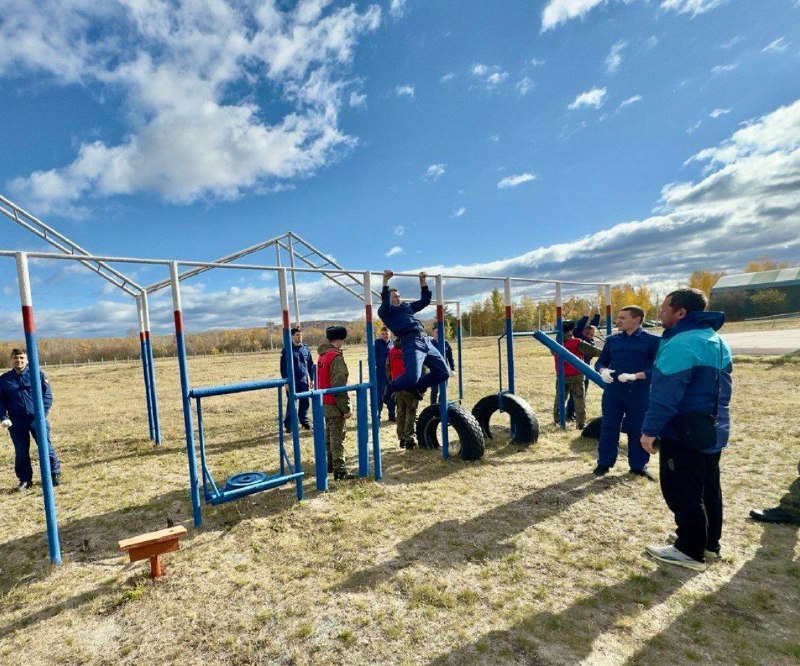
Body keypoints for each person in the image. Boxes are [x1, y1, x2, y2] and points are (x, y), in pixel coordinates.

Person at [640, 288, 733, 571]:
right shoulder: (716, 340)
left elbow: (666, 394)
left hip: (682, 432)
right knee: (708, 488)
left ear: (681, 312)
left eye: (664, 307)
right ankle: (708, 543)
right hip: (711, 430)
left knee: (681, 490)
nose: (660, 312)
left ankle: (689, 550)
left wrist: (650, 430)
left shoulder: (681, 343)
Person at [594, 305, 661, 479]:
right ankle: (604, 463)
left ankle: (638, 466)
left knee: (637, 428)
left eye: (623, 318)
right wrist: (603, 371)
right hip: (614, 392)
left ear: (637, 320)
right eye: (618, 317)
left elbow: (659, 369)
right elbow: (600, 362)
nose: (618, 321)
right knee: (609, 426)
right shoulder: (612, 340)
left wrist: (636, 376)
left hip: (639, 393)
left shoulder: (653, 341)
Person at [378, 270, 450, 402]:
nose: (398, 298)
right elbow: (385, 302)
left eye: (399, 296)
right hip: (410, 341)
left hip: (425, 339)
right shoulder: (386, 312)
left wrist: (422, 282)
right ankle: (391, 387)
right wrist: (385, 282)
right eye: (394, 297)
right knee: (411, 377)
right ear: (388, 298)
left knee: (443, 373)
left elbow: (425, 300)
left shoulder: (407, 307)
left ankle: (415, 387)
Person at [0, 348, 61, 490]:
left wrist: (42, 414)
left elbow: (47, 396)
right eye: (16, 358)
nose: (19, 360)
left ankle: (54, 474)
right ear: (11, 360)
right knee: (21, 450)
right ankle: (25, 480)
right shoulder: (4, 379)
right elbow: (0, 401)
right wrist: (3, 416)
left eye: (22, 357)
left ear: (27, 359)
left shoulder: (37, 375)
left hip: (36, 419)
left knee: (45, 447)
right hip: (16, 421)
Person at [317, 326, 355, 480]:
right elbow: (339, 385)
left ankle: (331, 465)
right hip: (334, 403)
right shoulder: (335, 357)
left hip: (325, 402)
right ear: (340, 339)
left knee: (330, 435)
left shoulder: (322, 355)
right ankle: (340, 469)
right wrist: (346, 408)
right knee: (337, 437)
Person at [554, 320, 601, 429]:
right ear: (571, 331)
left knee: (560, 399)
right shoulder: (576, 342)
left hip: (561, 376)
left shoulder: (555, 345)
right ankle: (580, 423)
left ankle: (557, 421)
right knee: (579, 400)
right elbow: (593, 351)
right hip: (577, 376)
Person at [280, 327, 314, 432]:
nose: (299, 337)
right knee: (292, 402)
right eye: (297, 335)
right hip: (292, 381)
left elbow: (310, 364)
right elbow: (283, 367)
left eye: (300, 334)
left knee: (305, 401)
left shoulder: (306, 349)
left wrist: (312, 379)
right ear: (292, 336)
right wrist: (286, 381)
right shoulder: (287, 350)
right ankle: (289, 424)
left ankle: (304, 421)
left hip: (303, 380)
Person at [387, 344, 420, 449]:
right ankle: (409, 438)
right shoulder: (410, 349)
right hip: (409, 386)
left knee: (401, 411)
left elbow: (387, 368)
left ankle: (401, 437)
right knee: (411, 411)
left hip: (396, 384)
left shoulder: (391, 351)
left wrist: (392, 382)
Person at [373, 327, 396, 422]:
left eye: (387, 334)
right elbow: (372, 358)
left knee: (392, 393)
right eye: (383, 334)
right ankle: (377, 416)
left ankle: (391, 415)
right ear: (380, 334)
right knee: (380, 394)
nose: (385, 336)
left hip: (391, 372)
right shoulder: (376, 344)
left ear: (390, 334)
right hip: (380, 372)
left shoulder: (394, 344)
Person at [429, 326, 455, 404]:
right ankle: (433, 407)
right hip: (434, 370)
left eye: (440, 332)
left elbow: (450, 357)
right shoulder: (430, 344)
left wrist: (452, 369)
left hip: (444, 370)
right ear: (433, 333)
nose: (438, 334)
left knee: (443, 390)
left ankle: (441, 406)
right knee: (434, 390)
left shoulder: (446, 343)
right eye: (436, 332)